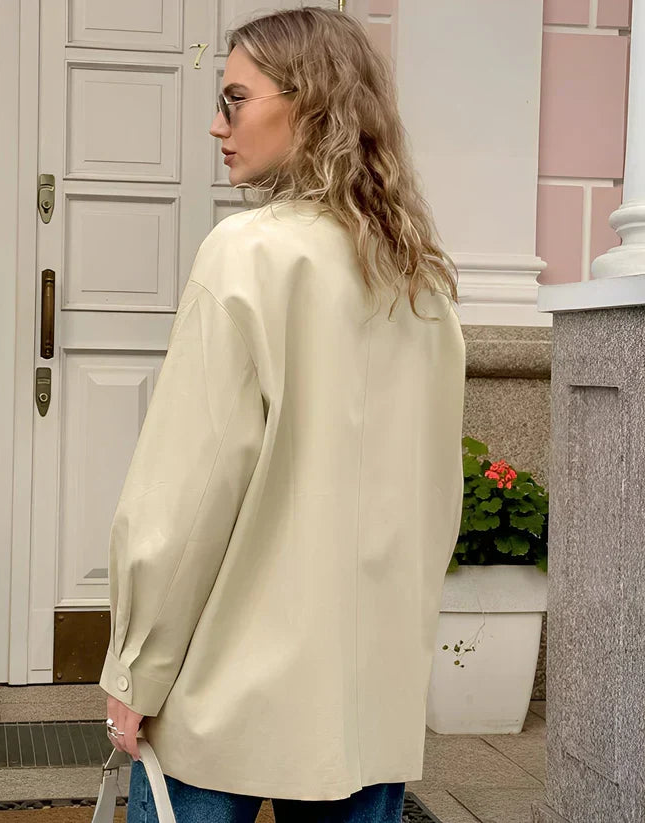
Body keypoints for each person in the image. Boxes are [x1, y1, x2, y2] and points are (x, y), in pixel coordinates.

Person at [99, 7, 466, 823]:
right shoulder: (419, 278)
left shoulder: (247, 253)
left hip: (226, 687)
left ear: (309, 102)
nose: (216, 125)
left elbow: (186, 495)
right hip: (365, 699)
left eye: (234, 99)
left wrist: (135, 669)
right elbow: (435, 498)